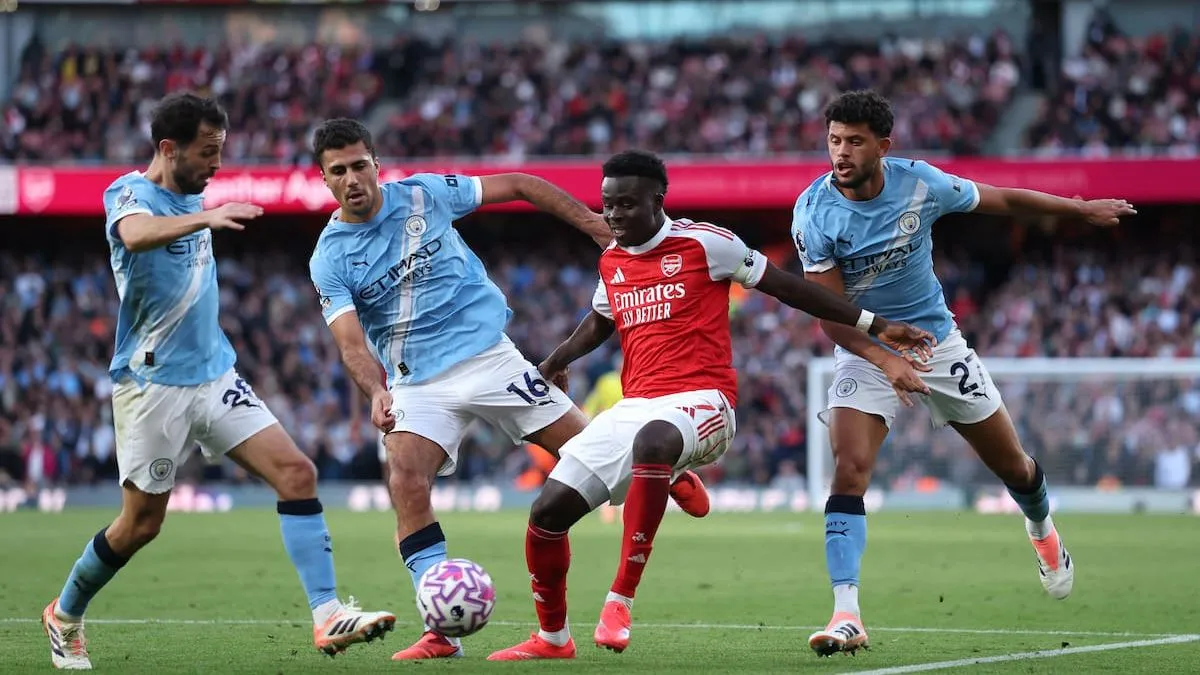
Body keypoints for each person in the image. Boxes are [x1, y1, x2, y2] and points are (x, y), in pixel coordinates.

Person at [487, 150, 934, 661]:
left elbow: (791, 289)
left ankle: (620, 599)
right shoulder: (612, 259)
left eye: (626, 205)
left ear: (658, 201)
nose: (613, 216)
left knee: (652, 440)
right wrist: (554, 360)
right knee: (547, 513)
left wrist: (872, 324)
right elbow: (600, 318)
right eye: (607, 206)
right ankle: (552, 639)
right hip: (639, 406)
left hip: (707, 401)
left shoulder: (706, 244)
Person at [305, 119, 711, 661]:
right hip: (417, 383)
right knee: (404, 476)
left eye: (360, 164)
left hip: (489, 358)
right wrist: (376, 391)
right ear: (325, 180)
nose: (353, 178)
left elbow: (519, 183)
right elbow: (351, 343)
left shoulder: (426, 194)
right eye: (339, 171)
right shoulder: (330, 256)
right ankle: (441, 630)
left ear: (376, 163)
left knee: (586, 452)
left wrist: (591, 222)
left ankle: (672, 470)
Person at [41, 93, 395, 671]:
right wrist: (205, 216)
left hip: (215, 376)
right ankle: (65, 613)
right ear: (167, 148)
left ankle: (328, 614)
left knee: (298, 473)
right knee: (141, 525)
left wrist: (203, 207)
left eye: (220, 152)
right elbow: (133, 234)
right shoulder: (130, 193)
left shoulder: (192, 191)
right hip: (152, 385)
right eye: (207, 153)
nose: (216, 166)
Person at [793, 90, 1136, 656]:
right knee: (849, 468)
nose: (841, 152)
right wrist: (884, 357)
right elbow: (830, 314)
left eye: (855, 141)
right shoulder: (813, 212)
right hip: (865, 348)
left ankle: (1042, 530)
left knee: (1015, 467)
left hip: (939, 345)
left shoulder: (921, 183)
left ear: (883, 146)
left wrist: (1078, 208)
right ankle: (846, 613)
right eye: (834, 140)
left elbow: (1001, 200)